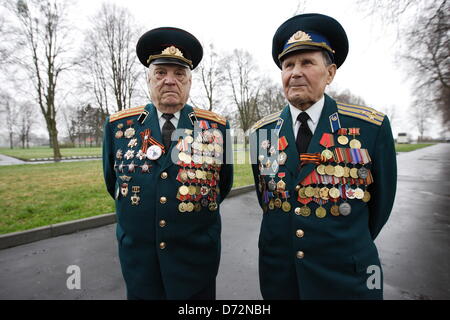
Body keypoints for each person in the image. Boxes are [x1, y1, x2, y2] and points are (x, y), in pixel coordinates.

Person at [250, 13, 397, 299]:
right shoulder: (262, 132)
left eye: (307, 63)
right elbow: (268, 201)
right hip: (281, 279)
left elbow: (380, 207)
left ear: (330, 73)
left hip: (345, 279)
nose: (295, 72)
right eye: (288, 65)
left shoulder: (371, 127)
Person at [102, 27, 233, 300]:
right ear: (148, 79)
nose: (170, 81)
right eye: (161, 73)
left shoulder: (217, 128)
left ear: (189, 82)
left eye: (179, 74)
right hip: (140, 265)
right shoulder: (118, 126)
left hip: (195, 263)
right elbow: (112, 183)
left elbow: (223, 185)